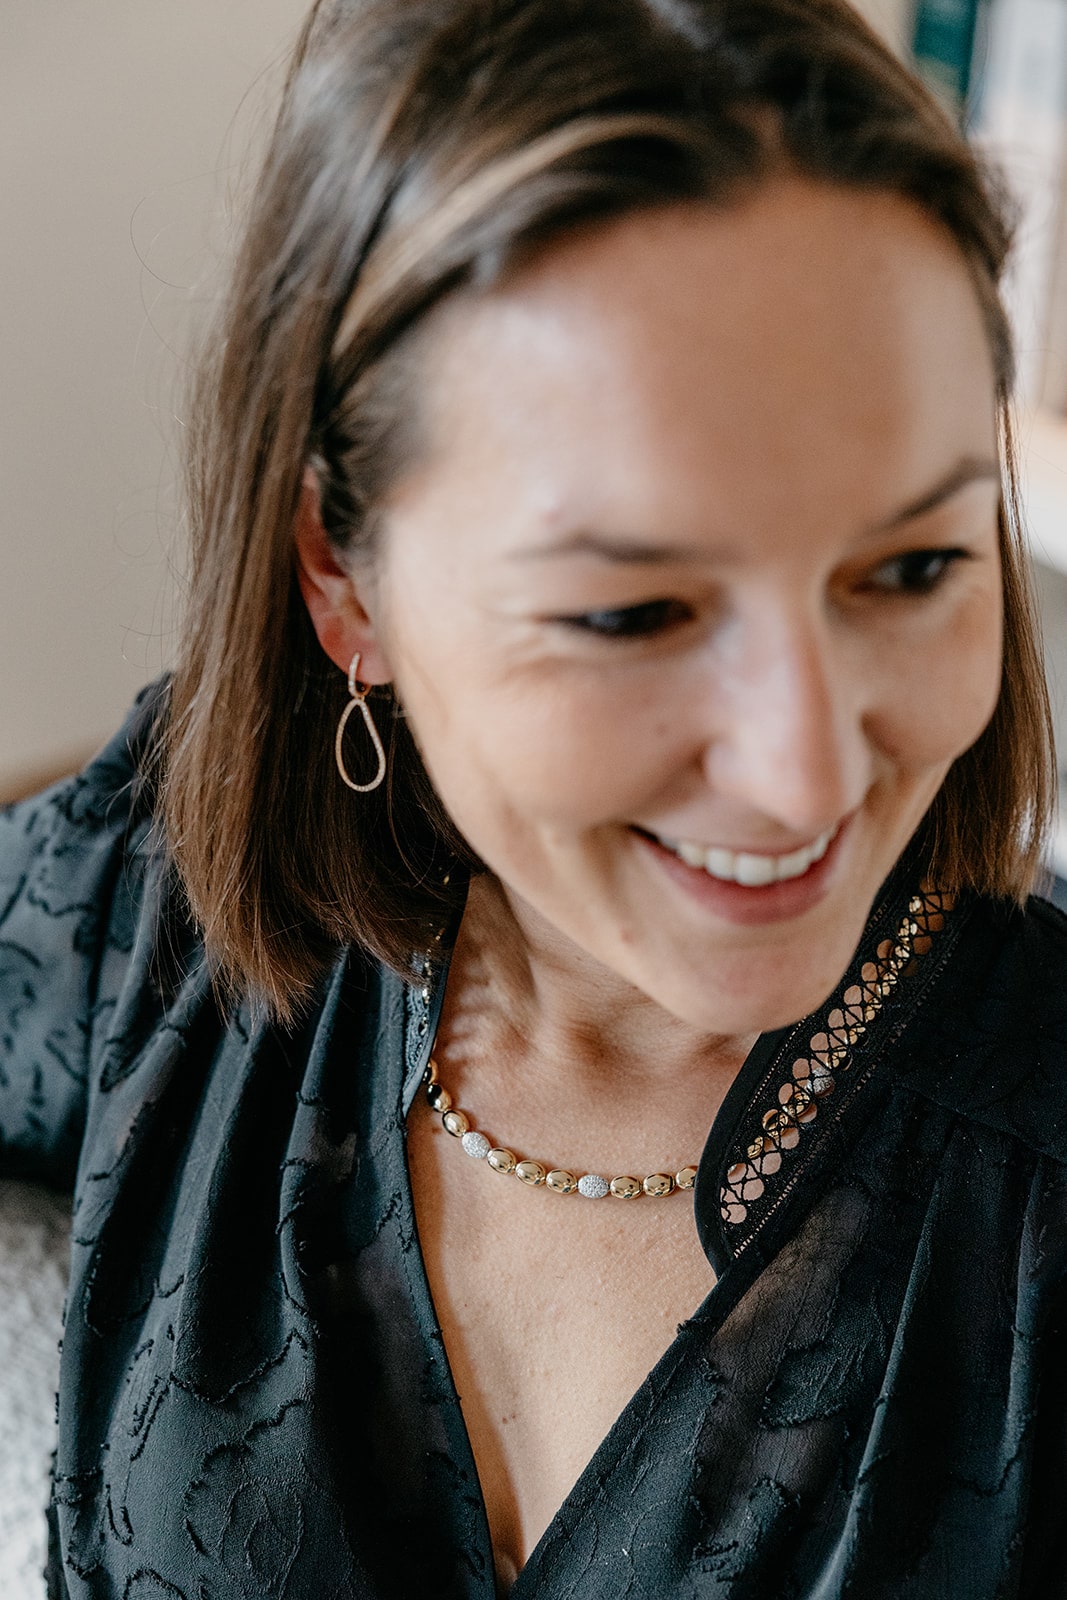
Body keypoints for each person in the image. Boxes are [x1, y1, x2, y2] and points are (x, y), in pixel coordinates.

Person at [2, 0, 1065, 1593]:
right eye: (634, 613)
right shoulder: (157, 894)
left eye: (911, 569)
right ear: (342, 581)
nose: (807, 772)